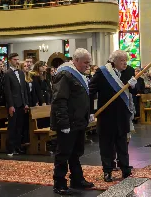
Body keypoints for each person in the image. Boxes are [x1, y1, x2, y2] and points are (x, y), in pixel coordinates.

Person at [51, 48, 94, 195]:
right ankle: (59, 182)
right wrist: (63, 124)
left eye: (89, 62)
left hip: (78, 121)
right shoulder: (65, 74)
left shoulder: (78, 74)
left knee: (76, 153)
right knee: (63, 153)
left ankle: (77, 179)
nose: (88, 65)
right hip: (68, 122)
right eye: (85, 63)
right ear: (75, 61)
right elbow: (60, 100)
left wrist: (88, 114)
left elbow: (82, 98)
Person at [89, 50, 137, 182]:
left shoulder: (129, 71)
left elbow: (135, 91)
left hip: (122, 114)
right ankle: (107, 170)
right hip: (106, 115)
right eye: (122, 60)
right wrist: (90, 111)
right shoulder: (102, 72)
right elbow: (91, 91)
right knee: (106, 145)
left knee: (122, 144)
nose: (125, 63)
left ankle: (125, 169)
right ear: (114, 61)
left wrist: (134, 86)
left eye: (126, 60)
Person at [3, 53, 29, 156]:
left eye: (18, 59)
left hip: (21, 103)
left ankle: (18, 147)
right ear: (10, 61)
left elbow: (24, 90)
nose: (17, 61)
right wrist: (10, 105)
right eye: (14, 59)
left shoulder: (21, 73)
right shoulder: (7, 73)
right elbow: (8, 91)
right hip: (13, 104)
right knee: (12, 127)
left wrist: (26, 103)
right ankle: (10, 148)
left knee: (19, 127)